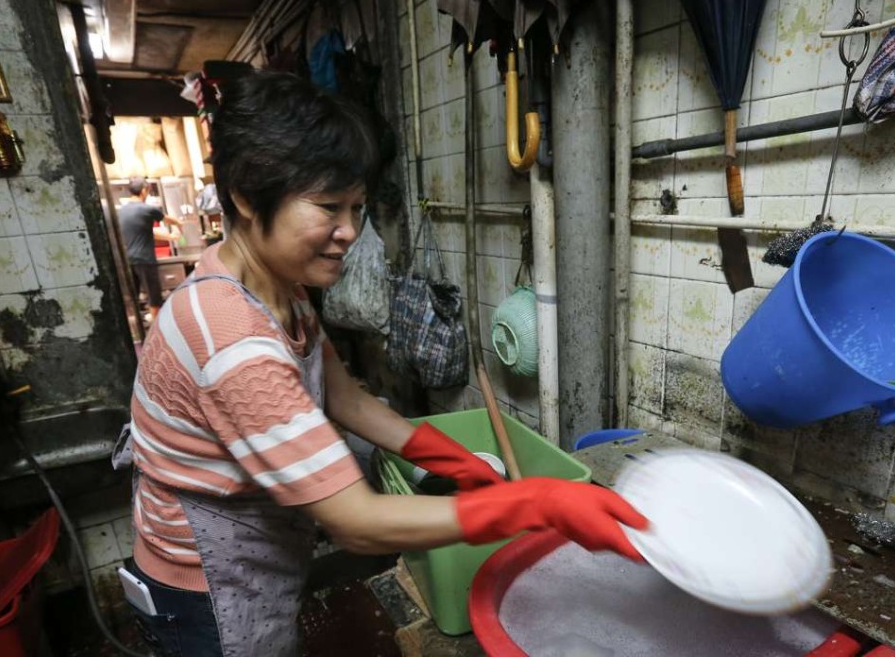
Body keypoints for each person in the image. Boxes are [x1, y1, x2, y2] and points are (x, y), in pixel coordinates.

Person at [120, 70, 648, 656]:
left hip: (256, 552)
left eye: (357, 207)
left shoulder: (278, 284)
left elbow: (342, 397)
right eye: (327, 207)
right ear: (246, 196)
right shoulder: (231, 338)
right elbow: (356, 521)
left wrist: (447, 457)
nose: (348, 232)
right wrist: (535, 503)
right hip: (205, 586)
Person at [117, 177, 184, 321]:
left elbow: (146, 232)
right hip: (145, 260)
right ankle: (157, 330)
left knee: (133, 298)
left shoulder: (123, 211)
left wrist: (171, 237)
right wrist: (179, 223)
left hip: (128, 261)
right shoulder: (147, 209)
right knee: (154, 298)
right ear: (143, 190)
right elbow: (168, 220)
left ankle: (136, 329)